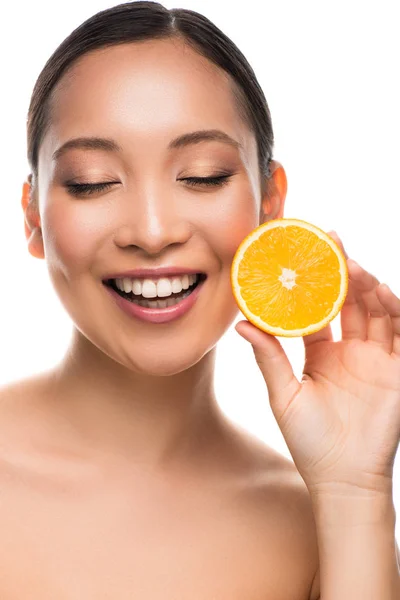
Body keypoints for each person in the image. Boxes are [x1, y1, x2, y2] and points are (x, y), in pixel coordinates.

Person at [0, 1, 399, 597]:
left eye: (204, 176)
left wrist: (354, 495)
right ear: (32, 216)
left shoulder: (315, 529)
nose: (154, 230)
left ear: (270, 202)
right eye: (93, 182)